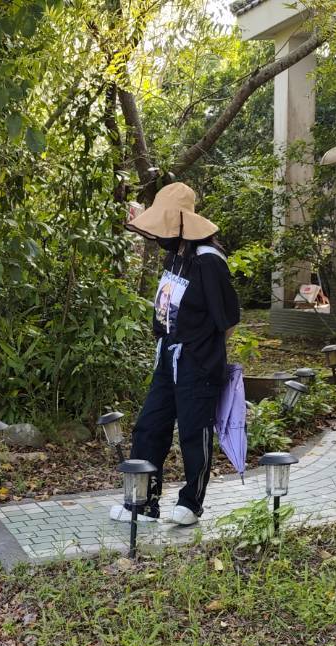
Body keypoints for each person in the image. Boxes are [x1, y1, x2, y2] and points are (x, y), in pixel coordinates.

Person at [115, 183, 242, 526]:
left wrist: (202, 353)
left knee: (192, 432)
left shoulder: (208, 263)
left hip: (197, 364)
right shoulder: (176, 257)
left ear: (185, 224)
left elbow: (228, 321)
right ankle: (142, 503)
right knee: (148, 427)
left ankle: (191, 502)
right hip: (167, 358)